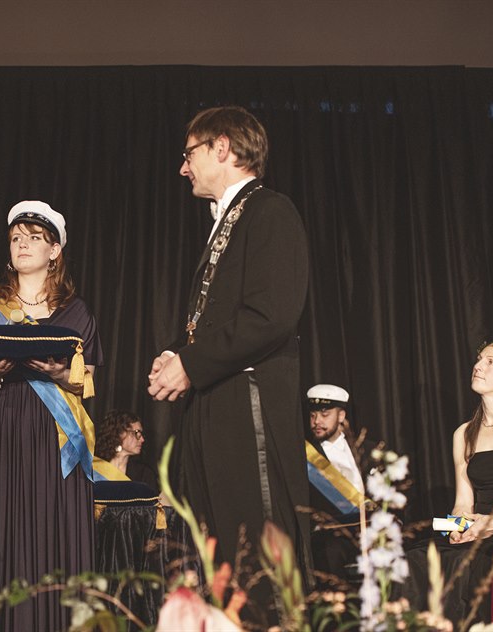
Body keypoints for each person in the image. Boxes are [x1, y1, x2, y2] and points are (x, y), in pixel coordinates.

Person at [146, 105, 311, 621]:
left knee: (257, 559)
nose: (183, 168)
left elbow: (271, 316)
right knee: (221, 562)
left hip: (248, 406)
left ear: (222, 147)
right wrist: (179, 355)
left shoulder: (270, 212)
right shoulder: (231, 219)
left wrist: (191, 363)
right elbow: (219, 319)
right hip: (217, 404)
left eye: (189, 154)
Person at [0, 201, 102, 632]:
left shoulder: (77, 312)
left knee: (53, 530)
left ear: (55, 250)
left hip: (54, 434)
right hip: (3, 426)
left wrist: (62, 374)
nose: (22, 244)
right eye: (15, 238)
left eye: (34, 238)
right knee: (1, 532)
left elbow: (87, 380)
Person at [404, 340, 493, 624]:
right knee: (418, 559)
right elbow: (463, 503)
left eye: (490, 362)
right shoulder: (463, 434)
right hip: (479, 526)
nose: (478, 366)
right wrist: (459, 527)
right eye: (479, 360)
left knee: (489, 559)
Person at [305, 384, 377, 586]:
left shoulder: (368, 449)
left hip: (370, 530)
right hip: (332, 536)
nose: (317, 421)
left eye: (324, 414)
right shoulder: (306, 456)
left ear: (341, 415)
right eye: (313, 415)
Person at [93, 409, 159, 491]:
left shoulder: (144, 473)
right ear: (119, 433)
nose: (142, 439)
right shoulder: (95, 468)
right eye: (136, 433)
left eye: (141, 434)